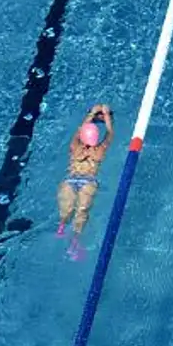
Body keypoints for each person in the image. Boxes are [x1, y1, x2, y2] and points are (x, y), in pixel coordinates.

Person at [58, 103, 113, 258]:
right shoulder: (100, 151)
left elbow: (79, 129)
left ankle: (61, 228)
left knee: (66, 210)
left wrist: (91, 114)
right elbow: (109, 133)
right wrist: (107, 116)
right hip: (88, 181)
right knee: (82, 211)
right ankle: (75, 241)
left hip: (70, 180)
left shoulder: (74, 147)